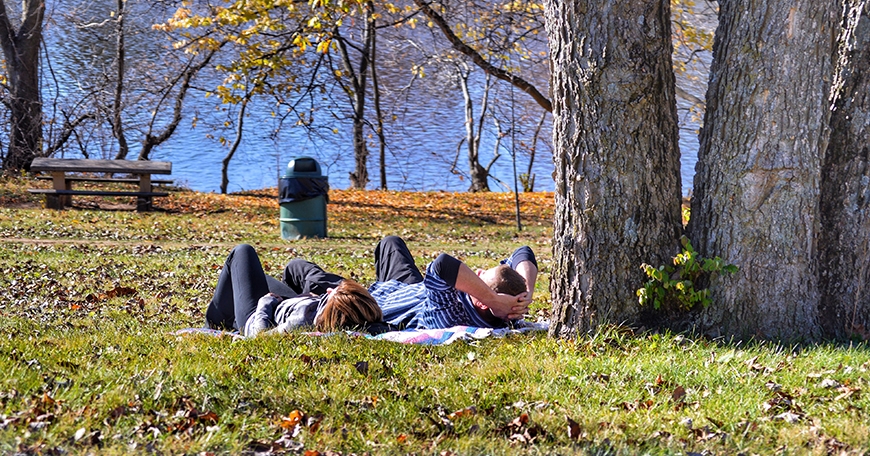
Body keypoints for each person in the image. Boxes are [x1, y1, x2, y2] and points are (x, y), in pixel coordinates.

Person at [205, 244, 385, 337]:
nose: (329, 289)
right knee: (289, 267)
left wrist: (266, 303)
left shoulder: (301, 320)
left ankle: (216, 321)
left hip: (259, 314)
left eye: (332, 293)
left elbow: (260, 336)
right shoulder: (358, 315)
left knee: (242, 253)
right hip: (286, 304)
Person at [368, 236, 538, 329]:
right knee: (391, 243)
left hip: (380, 300)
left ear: (484, 304)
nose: (478, 271)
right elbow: (523, 251)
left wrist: (492, 298)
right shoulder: (509, 308)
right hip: (414, 287)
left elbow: (442, 265)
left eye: (482, 276)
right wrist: (527, 294)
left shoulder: (453, 316)